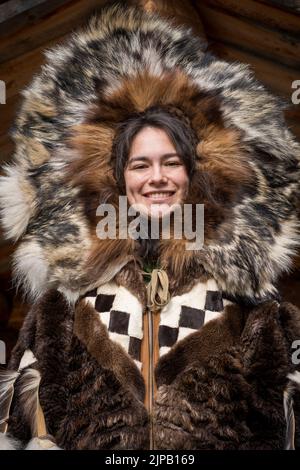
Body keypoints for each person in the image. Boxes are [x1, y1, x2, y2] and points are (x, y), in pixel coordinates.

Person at [0, 3, 300, 450]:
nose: (156, 178)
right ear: (121, 180)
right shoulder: (62, 306)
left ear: (193, 176)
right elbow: (16, 428)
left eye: (171, 163)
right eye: (140, 165)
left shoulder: (255, 306)